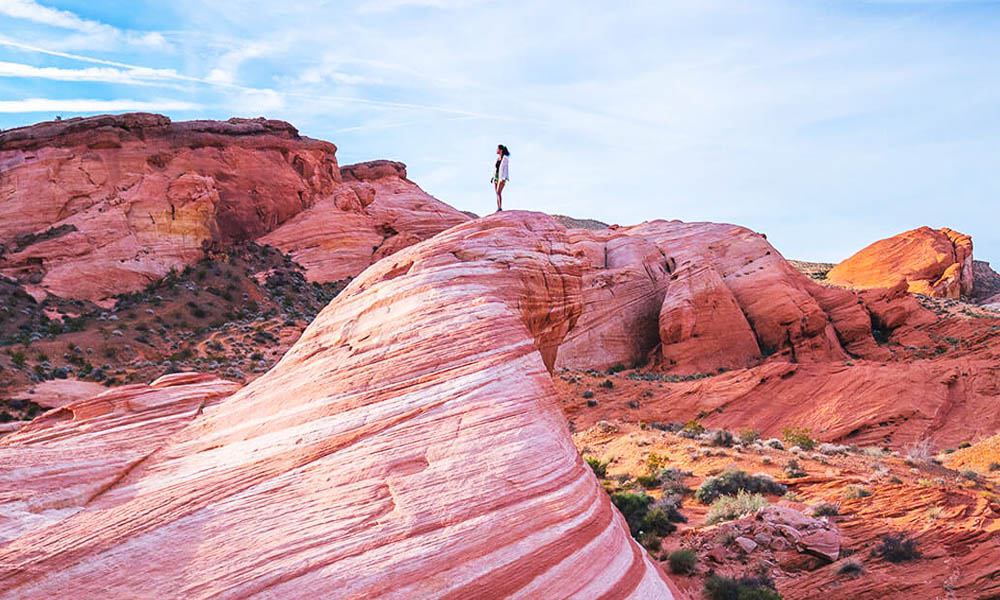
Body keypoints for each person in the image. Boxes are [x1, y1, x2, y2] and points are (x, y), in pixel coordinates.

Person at [492, 144, 510, 211]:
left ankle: (500, 207)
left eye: (497, 149)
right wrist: (492, 177)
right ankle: (498, 207)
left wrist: (504, 178)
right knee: (497, 193)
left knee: (498, 191)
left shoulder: (505, 159)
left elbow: (506, 169)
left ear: (500, 150)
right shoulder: (497, 159)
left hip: (502, 177)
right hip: (496, 177)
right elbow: (495, 168)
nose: (496, 150)